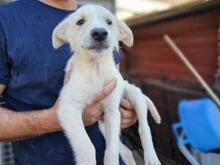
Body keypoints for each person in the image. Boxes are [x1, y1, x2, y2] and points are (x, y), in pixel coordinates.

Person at [0, 0, 137, 165]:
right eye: (81, 23)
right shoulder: (5, 20)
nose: (99, 31)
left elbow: (111, 94)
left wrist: (124, 111)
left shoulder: (102, 18)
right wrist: (56, 118)